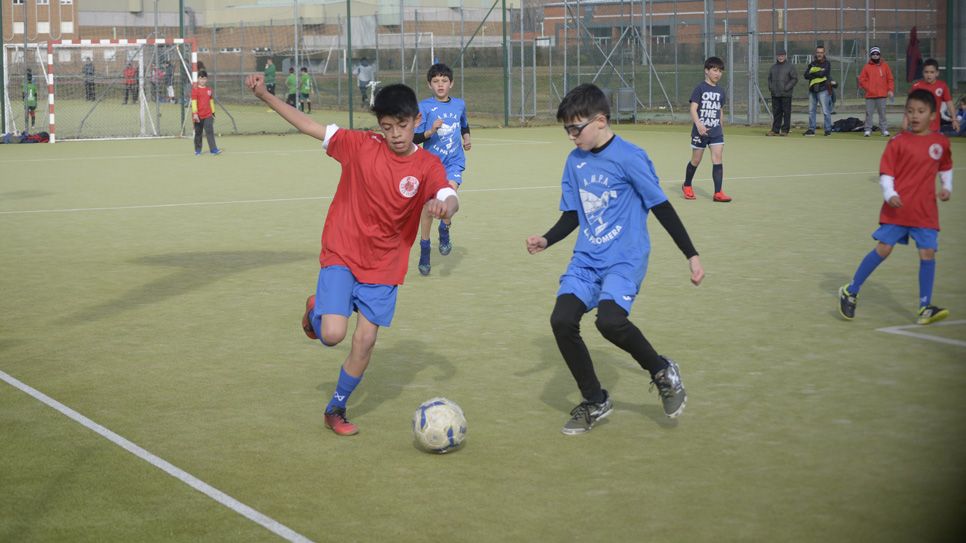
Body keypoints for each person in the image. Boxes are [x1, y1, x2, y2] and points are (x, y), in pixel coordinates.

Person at [244, 73, 459, 436]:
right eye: (387, 126)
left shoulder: (427, 166)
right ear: (379, 126)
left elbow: (448, 195)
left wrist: (446, 208)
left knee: (366, 339)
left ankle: (336, 409)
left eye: (402, 125)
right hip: (343, 250)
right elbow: (308, 125)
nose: (395, 134)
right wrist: (265, 94)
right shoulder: (359, 144)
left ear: (417, 121)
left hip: (385, 264)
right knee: (331, 335)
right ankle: (316, 311)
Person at [526, 83, 703, 434]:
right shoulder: (574, 161)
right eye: (567, 130)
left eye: (576, 128)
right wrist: (547, 239)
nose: (571, 136)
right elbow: (574, 214)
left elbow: (662, 207)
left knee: (609, 322)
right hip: (586, 259)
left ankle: (661, 370)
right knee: (562, 320)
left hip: (624, 258)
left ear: (601, 121)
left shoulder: (629, 157)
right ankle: (595, 400)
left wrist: (691, 254)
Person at [838, 89, 953, 326]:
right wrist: (890, 194)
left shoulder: (940, 142)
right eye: (910, 111)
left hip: (925, 212)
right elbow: (886, 172)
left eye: (921, 111)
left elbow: (946, 166)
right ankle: (851, 290)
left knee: (927, 253)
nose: (914, 116)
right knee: (884, 250)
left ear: (933, 115)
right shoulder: (898, 142)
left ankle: (924, 307)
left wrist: (946, 186)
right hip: (898, 210)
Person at [413, 63, 471, 276]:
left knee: (448, 200)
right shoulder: (424, 107)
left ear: (451, 83)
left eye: (444, 81)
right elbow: (415, 138)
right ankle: (425, 248)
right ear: (430, 85)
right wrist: (430, 131)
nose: (440, 84)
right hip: (431, 166)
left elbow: (464, 124)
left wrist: (466, 137)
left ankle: (444, 229)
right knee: (429, 208)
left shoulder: (459, 105)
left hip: (454, 163)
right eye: (436, 81)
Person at [682, 56, 732, 203]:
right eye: (715, 70)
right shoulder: (700, 88)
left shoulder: (721, 91)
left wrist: (720, 128)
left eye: (720, 71)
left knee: (717, 159)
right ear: (706, 71)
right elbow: (693, 109)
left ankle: (718, 192)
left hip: (715, 132)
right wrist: (699, 125)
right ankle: (687, 185)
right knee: (696, 160)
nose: (718, 74)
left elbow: (720, 110)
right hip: (700, 132)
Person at [904, 58, 960, 134]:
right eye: (926, 72)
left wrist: (954, 119)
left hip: (935, 127)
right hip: (918, 126)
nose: (929, 75)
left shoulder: (942, 86)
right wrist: (906, 121)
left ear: (937, 73)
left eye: (932, 72)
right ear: (922, 73)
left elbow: (949, 103)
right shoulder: (916, 86)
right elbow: (909, 106)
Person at [858, 46, 895, 137]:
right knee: (869, 113)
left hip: (882, 95)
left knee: (882, 113)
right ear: (871, 55)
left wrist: (890, 90)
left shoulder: (885, 66)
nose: (875, 56)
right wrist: (869, 88)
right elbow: (862, 80)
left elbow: (890, 79)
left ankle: (884, 130)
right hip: (870, 96)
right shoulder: (866, 67)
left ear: (879, 55)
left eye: (877, 54)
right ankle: (867, 130)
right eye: (873, 54)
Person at [766, 49, 797, 136]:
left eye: (782, 55)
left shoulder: (790, 67)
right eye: (779, 55)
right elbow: (769, 79)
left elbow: (794, 79)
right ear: (777, 56)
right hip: (775, 94)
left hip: (786, 94)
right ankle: (775, 130)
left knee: (786, 113)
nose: (780, 57)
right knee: (776, 112)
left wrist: (787, 88)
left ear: (785, 56)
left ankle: (785, 130)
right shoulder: (773, 67)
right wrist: (771, 88)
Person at [803, 45, 833, 136]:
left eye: (821, 52)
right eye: (818, 52)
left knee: (825, 111)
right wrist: (817, 72)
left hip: (823, 89)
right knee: (811, 111)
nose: (819, 54)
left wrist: (813, 72)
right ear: (816, 53)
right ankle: (812, 129)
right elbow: (806, 75)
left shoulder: (827, 63)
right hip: (812, 90)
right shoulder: (812, 63)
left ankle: (828, 130)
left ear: (824, 53)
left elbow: (823, 73)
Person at [191, 70, 221, 156]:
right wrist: (195, 114)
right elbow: (193, 102)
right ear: (198, 79)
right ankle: (197, 150)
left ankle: (213, 149)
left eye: (204, 79)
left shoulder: (209, 90)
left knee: (210, 132)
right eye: (201, 78)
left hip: (208, 115)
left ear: (206, 79)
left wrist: (213, 112)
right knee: (198, 133)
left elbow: (211, 101)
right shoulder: (195, 90)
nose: (202, 80)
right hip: (198, 116)